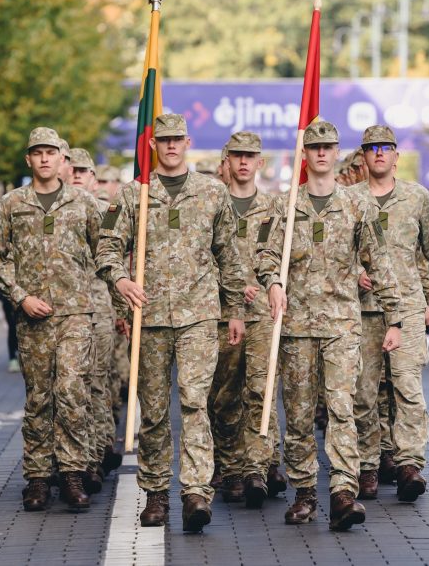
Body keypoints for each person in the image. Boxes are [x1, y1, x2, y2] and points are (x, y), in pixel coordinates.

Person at [96, 113, 245, 533]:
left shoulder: (212, 193)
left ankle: (196, 491)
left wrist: (234, 309)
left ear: (189, 142)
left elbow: (229, 256)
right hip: (151, 317)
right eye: (164, 140)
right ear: (153, 145)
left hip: (199, 314)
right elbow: (107, 247)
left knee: (196, 401)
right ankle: (156, 493)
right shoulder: (132, 196)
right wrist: (121, 278)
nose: (172, 146)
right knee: (155, 410)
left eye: (178, 139)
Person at [257, 120, 401, 531]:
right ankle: (305, 492)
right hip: (297, 325)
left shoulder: (358, 206)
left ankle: (342, 490)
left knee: (342, 407)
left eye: (328, 147)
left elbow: (380, 263)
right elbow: (267, 255)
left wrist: (395, 318)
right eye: (314, 147)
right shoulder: (284, 206)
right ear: (304, 154)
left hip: (341, 323)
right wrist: (274, 282)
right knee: (300, 414)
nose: (321, 153)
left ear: (337, 153)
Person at [0, 126, 102, 513]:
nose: (45, 158)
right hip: (33, 317)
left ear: (61, 158)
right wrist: (20, 297)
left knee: (71, 389)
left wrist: (123, 296)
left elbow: (109, 251)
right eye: (38, 152)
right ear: (29, 160)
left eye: (51, 151)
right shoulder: (12, 204)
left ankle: (71, 472)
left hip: (76, 314)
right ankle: (36, 477)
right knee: (39, 398)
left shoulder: (84, 203)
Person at [352, 125, 429, 504]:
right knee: (363, 392)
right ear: (363, 157)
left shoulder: (416, 198)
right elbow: (335, 251)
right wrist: (353, 270)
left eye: (385, 148)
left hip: (405, 308)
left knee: (407, 388)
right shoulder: (348, 199)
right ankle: (368, 466)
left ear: (396, 156)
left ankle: (409, 465)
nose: (379, 154)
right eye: (372, 148)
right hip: (361, 310)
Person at [205, 131, 287, 508]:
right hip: (217, 314)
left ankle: (257, 467)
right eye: (236, 155)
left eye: (250, 156)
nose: (243, 162)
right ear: (226, 161)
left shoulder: (273, 208)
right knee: (222, 397)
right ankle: (230, 465)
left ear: (260, 163)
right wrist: (230, 287)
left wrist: (265, 285)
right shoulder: (208, 204)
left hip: (261, 316)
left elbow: (276, 256)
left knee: (261, 391)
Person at [68, 147, 122, 487]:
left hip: (102, 308)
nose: (77, 175)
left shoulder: (107, 213)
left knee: (98, 382)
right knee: (72, 388)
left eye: (84, 171)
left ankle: (99, 450)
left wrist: (124, 310)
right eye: (71, 169)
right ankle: (77, 459)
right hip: (64, 311)